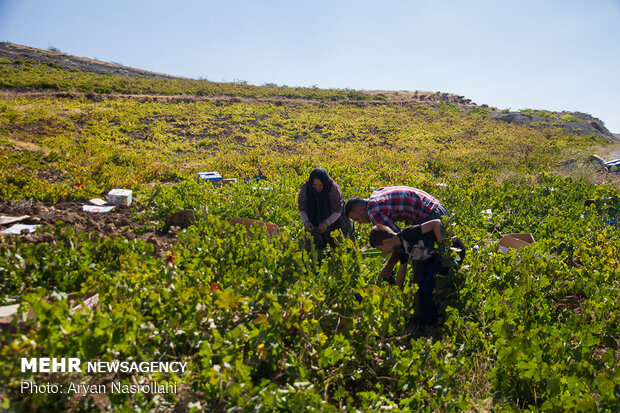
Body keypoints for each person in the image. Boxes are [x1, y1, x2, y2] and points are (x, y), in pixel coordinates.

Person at [369, 220, 466, 327]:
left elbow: (436, 223)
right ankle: (427, 321)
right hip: (438, 259)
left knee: (429, 284)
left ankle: (434, 322)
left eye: (380, 249)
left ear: (386, 242)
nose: (382, 252)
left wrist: (445, 250)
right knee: (423, 286)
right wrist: (395, 296)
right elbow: (401, 274)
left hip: (454, 250)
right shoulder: (401, 250)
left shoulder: (407, 234)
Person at [345, 186, 449, 280]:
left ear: (360, 209)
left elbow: (397, 241)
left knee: (424, 268)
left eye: (356, 219)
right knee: (424, 260)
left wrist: (388, 267)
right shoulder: (376, 194)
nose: (359, 222)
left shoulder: (374, 212)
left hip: (431, 217)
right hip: (438, 208)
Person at [298, 168, 354, 250]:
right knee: (312, 246)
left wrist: (326, 223)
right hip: (314, 214)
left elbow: (337, 211)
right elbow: (302, 208)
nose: (317, 188)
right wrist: (306, 221)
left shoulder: (333, 188)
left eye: (320, 185)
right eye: (314, 185)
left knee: (341, 241)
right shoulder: (306, 188)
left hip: (334, 215)